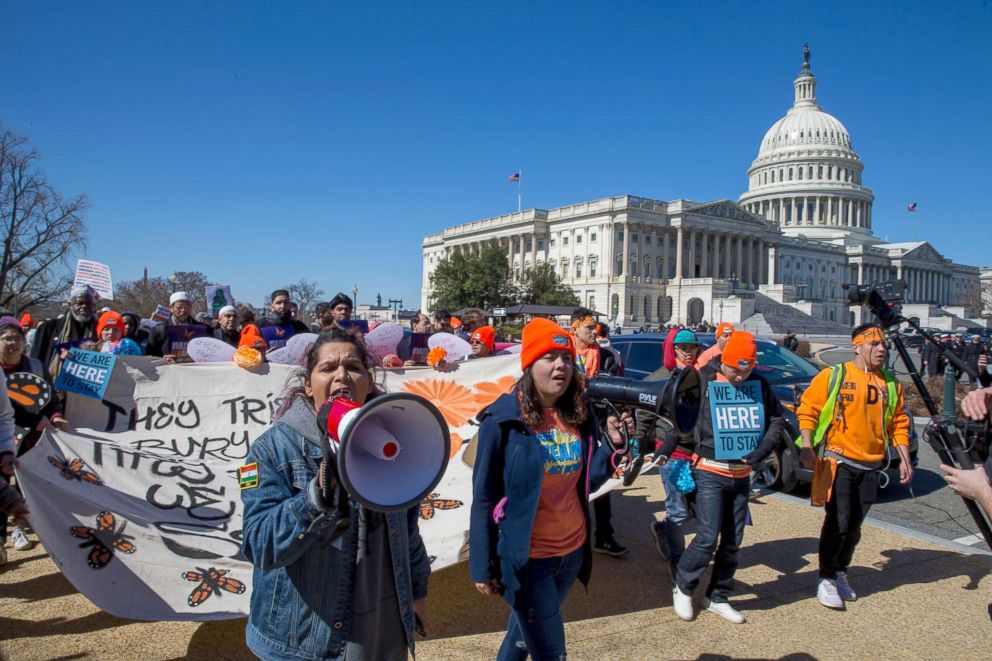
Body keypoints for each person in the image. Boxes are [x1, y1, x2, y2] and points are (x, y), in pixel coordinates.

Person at [241, 329, 430, 660]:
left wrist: (417, 592)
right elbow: (259, 544)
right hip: (302, 641)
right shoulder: (269, 450)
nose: (342, 375)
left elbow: (409, 531)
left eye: (353, 367)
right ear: (308, 385)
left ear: (369, 382)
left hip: (380, 638)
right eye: (328, 368)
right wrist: (317, 495)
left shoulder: (392, 445)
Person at [469, 318, 630, 660]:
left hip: (571, 554)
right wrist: (481, 564)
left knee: (521, 638)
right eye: (549, 357)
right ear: (529, 364)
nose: (561, 365)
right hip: (530, 561)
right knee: (552, 652)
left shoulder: (577, 415)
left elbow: (589, 480)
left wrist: (612, 446)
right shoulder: (502, 420)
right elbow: (484, 496)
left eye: (567, 358)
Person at [671, 331, 784, 624]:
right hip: (709, 469)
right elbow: (680, 416)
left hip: (743, 473)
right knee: (707, 537)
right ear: (724, 361)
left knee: (733, 541)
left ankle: (718, 596)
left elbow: (776, 419)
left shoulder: (758, 383)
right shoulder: (702, 379)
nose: (740, 376)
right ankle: (683, 586)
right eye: (736, 369)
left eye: (747, 369)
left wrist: (761, 451)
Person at [797, 323, 912, 610]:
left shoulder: (890, 384)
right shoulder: (834, 376)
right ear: (857, 347)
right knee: (838, 521)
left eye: (884, 344)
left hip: (872, 465)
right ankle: (825, 576)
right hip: (839, 461)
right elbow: (808, 409)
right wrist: (807, 446)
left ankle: (840, 571)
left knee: (855, 526)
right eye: (874, 344)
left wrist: (905, 458)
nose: (882, 349)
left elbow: (899, 422)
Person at [643, 329, 701, 578]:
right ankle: (677, 564)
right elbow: (644, 419)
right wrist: (635, 448)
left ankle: (663, 529)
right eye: (683, 348)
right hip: (672, 454)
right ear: (672, 349)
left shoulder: (700, 376)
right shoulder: (659, 379)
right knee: (677, 510)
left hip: (698, 451)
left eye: (693, 348)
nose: (689, 353)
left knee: (695, 510)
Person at [570, 307, 626, 557]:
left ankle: (604, 536)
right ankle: (571, 538)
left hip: (599, 427)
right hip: (569, 428)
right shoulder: (564, 354)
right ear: (575, 329)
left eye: (595, 327)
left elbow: (616, 392)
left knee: (602, 483)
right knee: (569, 484)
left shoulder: (606, 357)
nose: (595, 331)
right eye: (589, 328)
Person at [30, 284, 98, 379]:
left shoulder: (99, 330)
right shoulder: (48, 328)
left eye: (88, 303)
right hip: (53, 388)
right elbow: (35, 362)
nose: (84, 306)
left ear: (94, 306)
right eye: (79, 303)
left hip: (88, 388)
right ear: (70, 304)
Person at [147, 292, 210, 360]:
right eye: (179, 307)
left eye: (187, 306)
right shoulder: (158, 330)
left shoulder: (204, 329)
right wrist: (162, 360)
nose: (183, 310)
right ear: (171, 308)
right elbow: (149, 358)